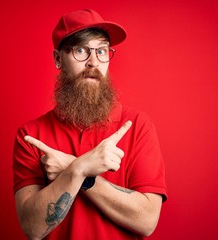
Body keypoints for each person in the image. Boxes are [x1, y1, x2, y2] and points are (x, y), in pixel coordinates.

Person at [12, 9, 167, 240]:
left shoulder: (137, 126)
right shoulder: (31, 134)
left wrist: (73, 168)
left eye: (102, 50)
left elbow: (146, 221)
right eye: (81, 50)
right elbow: (32, 228)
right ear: (58, 59)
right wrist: (80, 168)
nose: (93, 62)